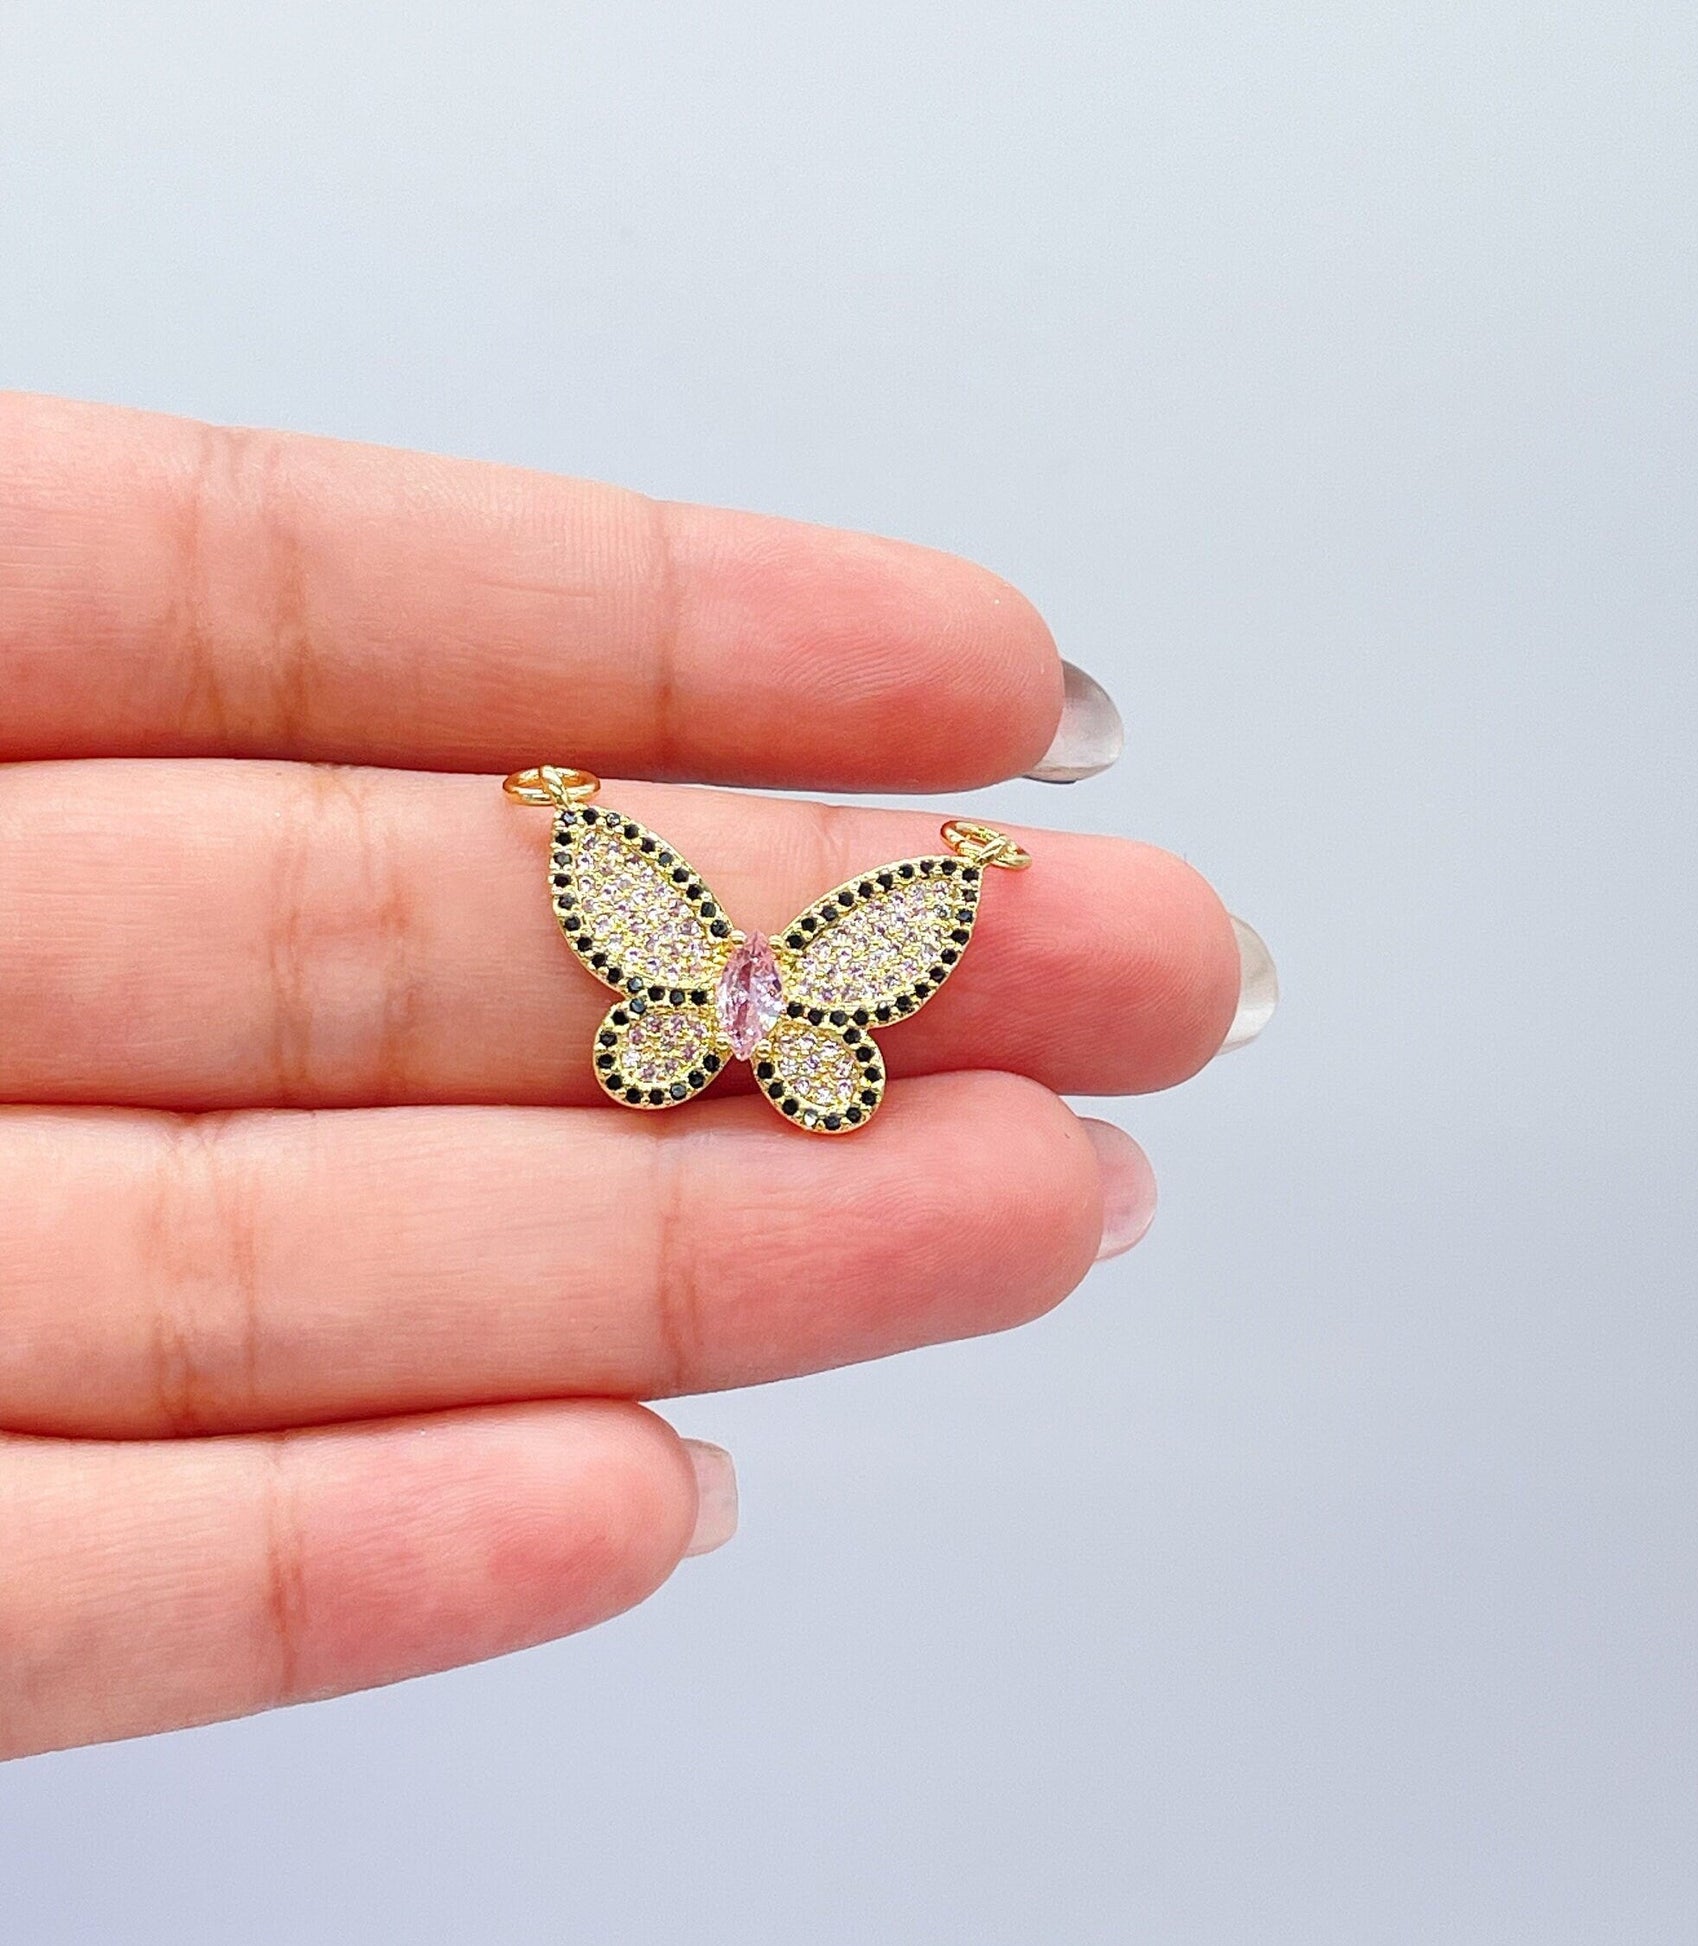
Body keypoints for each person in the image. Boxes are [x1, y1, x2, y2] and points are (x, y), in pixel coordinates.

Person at [0, 392, 1275, 1759]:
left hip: (736, 1023)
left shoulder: (743, 960)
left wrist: (908, 883)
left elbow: (735, 902)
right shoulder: (730, 956)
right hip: (752, 1026)